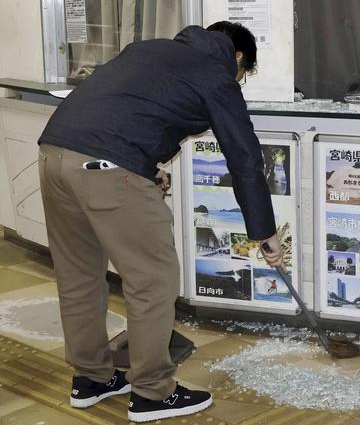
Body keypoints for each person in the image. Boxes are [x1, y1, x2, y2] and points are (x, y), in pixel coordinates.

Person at [37, 22, 285, 423]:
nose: (239, 80)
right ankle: (153, 392)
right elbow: (244, 159)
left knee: (79, 277)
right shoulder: (216, 74)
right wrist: (264, 231)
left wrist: (143, 165)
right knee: (153, 280)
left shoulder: (147, 49)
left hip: (54, 156)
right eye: (244, 73)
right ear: (238, 58)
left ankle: (93, 378)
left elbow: (126, 109)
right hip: (105, 168)